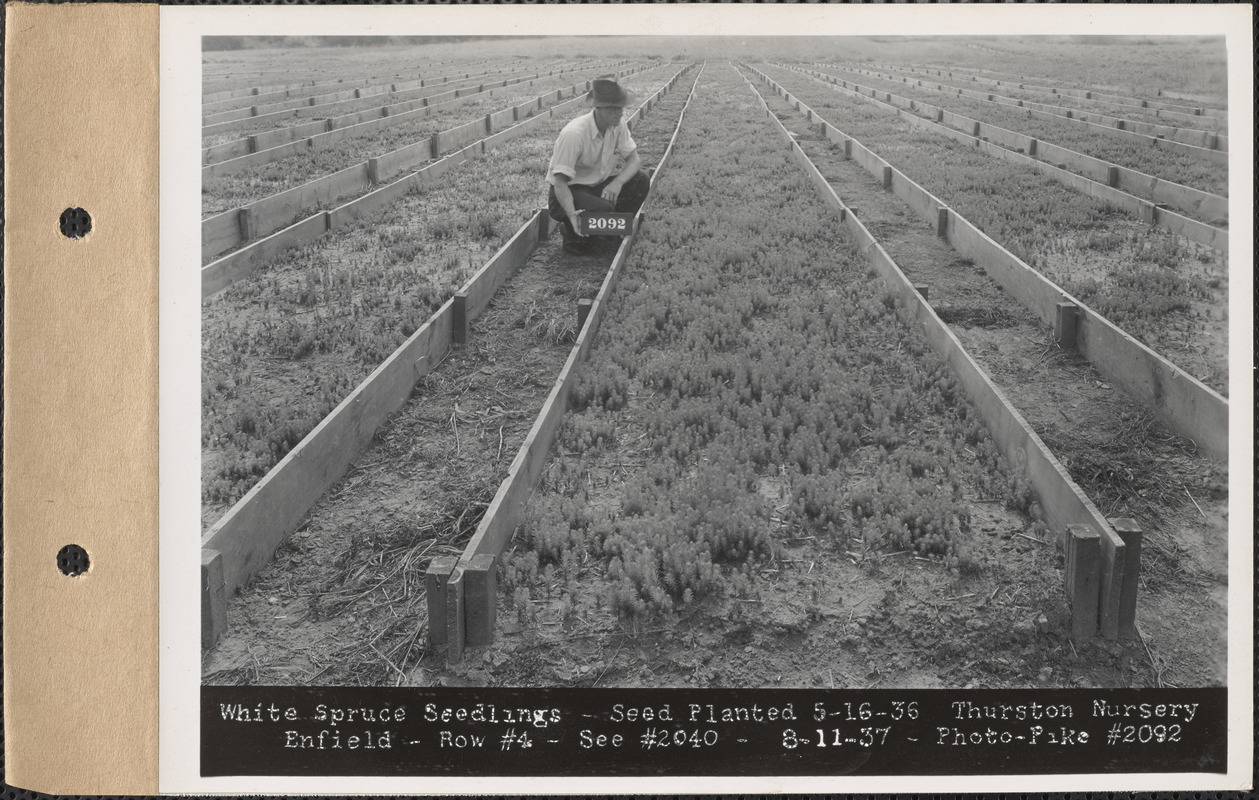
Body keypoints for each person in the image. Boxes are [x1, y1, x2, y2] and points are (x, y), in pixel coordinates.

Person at [546, 74, 651, 254]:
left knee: (640, 181)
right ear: (598, 108)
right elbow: (560, 183)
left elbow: (634, 160)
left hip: (594, 186)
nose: (620, 113)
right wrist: (571, 214)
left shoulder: (618, 125)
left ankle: (609, 232)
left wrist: (617, 183)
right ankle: (572, 233)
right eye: (614, 108)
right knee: (602, 212)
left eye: (621, 107)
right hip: (567, 192)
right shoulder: (574, 134)